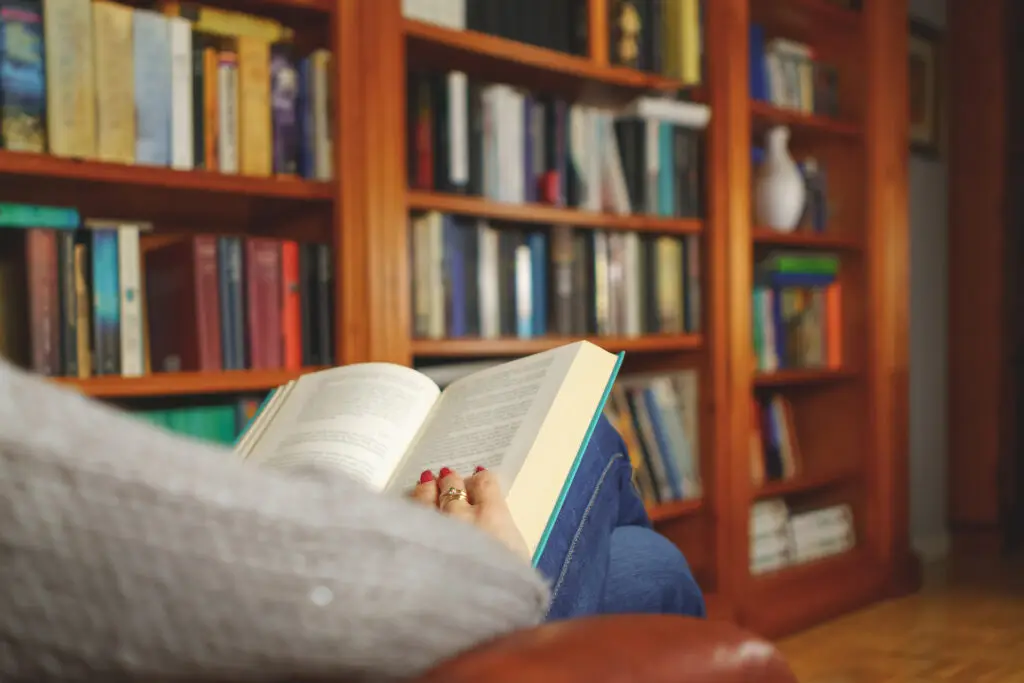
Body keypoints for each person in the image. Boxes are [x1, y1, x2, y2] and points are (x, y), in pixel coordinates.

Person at [0, 357, 702, 682]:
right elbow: (272, 588)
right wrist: (480, 563)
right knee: (602, 459)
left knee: (644, 565)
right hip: (462, 612)